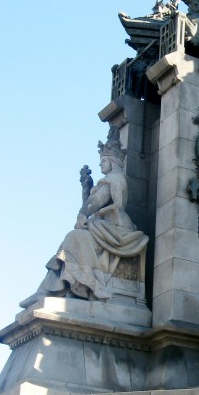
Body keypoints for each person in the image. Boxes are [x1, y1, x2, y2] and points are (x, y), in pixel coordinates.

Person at [21, 127, 148, 306]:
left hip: (116, 228)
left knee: (74, 238)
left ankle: (64, 288)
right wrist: (86, 188)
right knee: (75, 238)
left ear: (113, 161)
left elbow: (97, 201)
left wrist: (83, 213)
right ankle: (53, 289)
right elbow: (94, 202)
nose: (100, 164)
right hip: (105, 227)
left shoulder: (115, 178)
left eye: (103, 160)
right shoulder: (109, 179)